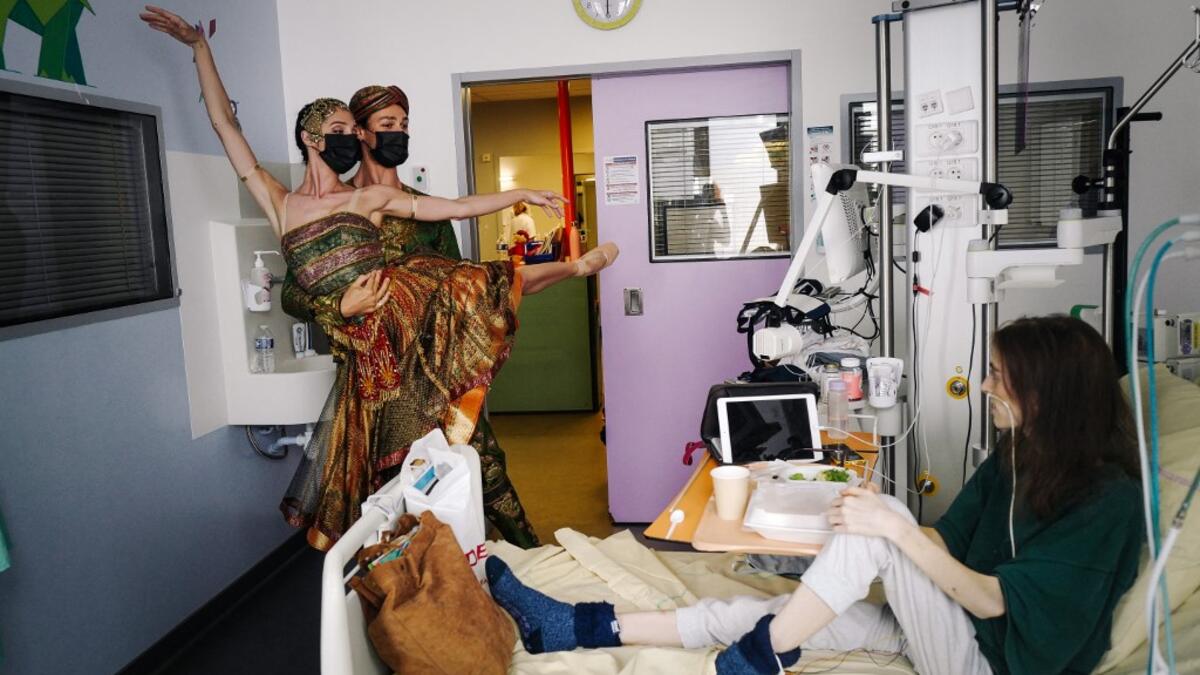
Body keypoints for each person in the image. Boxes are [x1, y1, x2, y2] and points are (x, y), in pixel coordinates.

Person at [142, 5, 619, 549]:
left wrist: (521, 194)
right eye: (340, 130)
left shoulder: (371, 199)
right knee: (384, 485)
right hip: (362, 359)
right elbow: (226, 126)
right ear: (310, 137)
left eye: (355, 129)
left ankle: (501, 557)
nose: (351, 139)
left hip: (404, 326)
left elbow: (458, 208)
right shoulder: (278, 202)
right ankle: (403, 583)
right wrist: (200, 49)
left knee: (472, 286)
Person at [487, 315, 1144, 675]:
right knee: (753, 610)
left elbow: (994, 596)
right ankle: (580, 625)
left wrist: (888, 534)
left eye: (998, 377)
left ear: (1045, 394)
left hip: (994, 661)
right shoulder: (1017, 457)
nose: (984, 386)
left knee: (883, 523)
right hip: (958, 626)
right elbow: (947, 540)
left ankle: (758, 663)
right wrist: (846, 539)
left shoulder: (1105, 501)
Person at [280, 83, 541, 549]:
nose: (399, 135)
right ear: (359, 133)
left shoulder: (422, 209)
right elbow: (292, 294)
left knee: (476, 457)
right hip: (371, 374)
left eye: (404, 126)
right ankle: (407, 579)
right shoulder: (330, 210)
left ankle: (522, 559)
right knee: (387, 485)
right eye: (387, 126)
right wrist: (340, 307)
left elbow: (463, 281)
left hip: (435, 367)